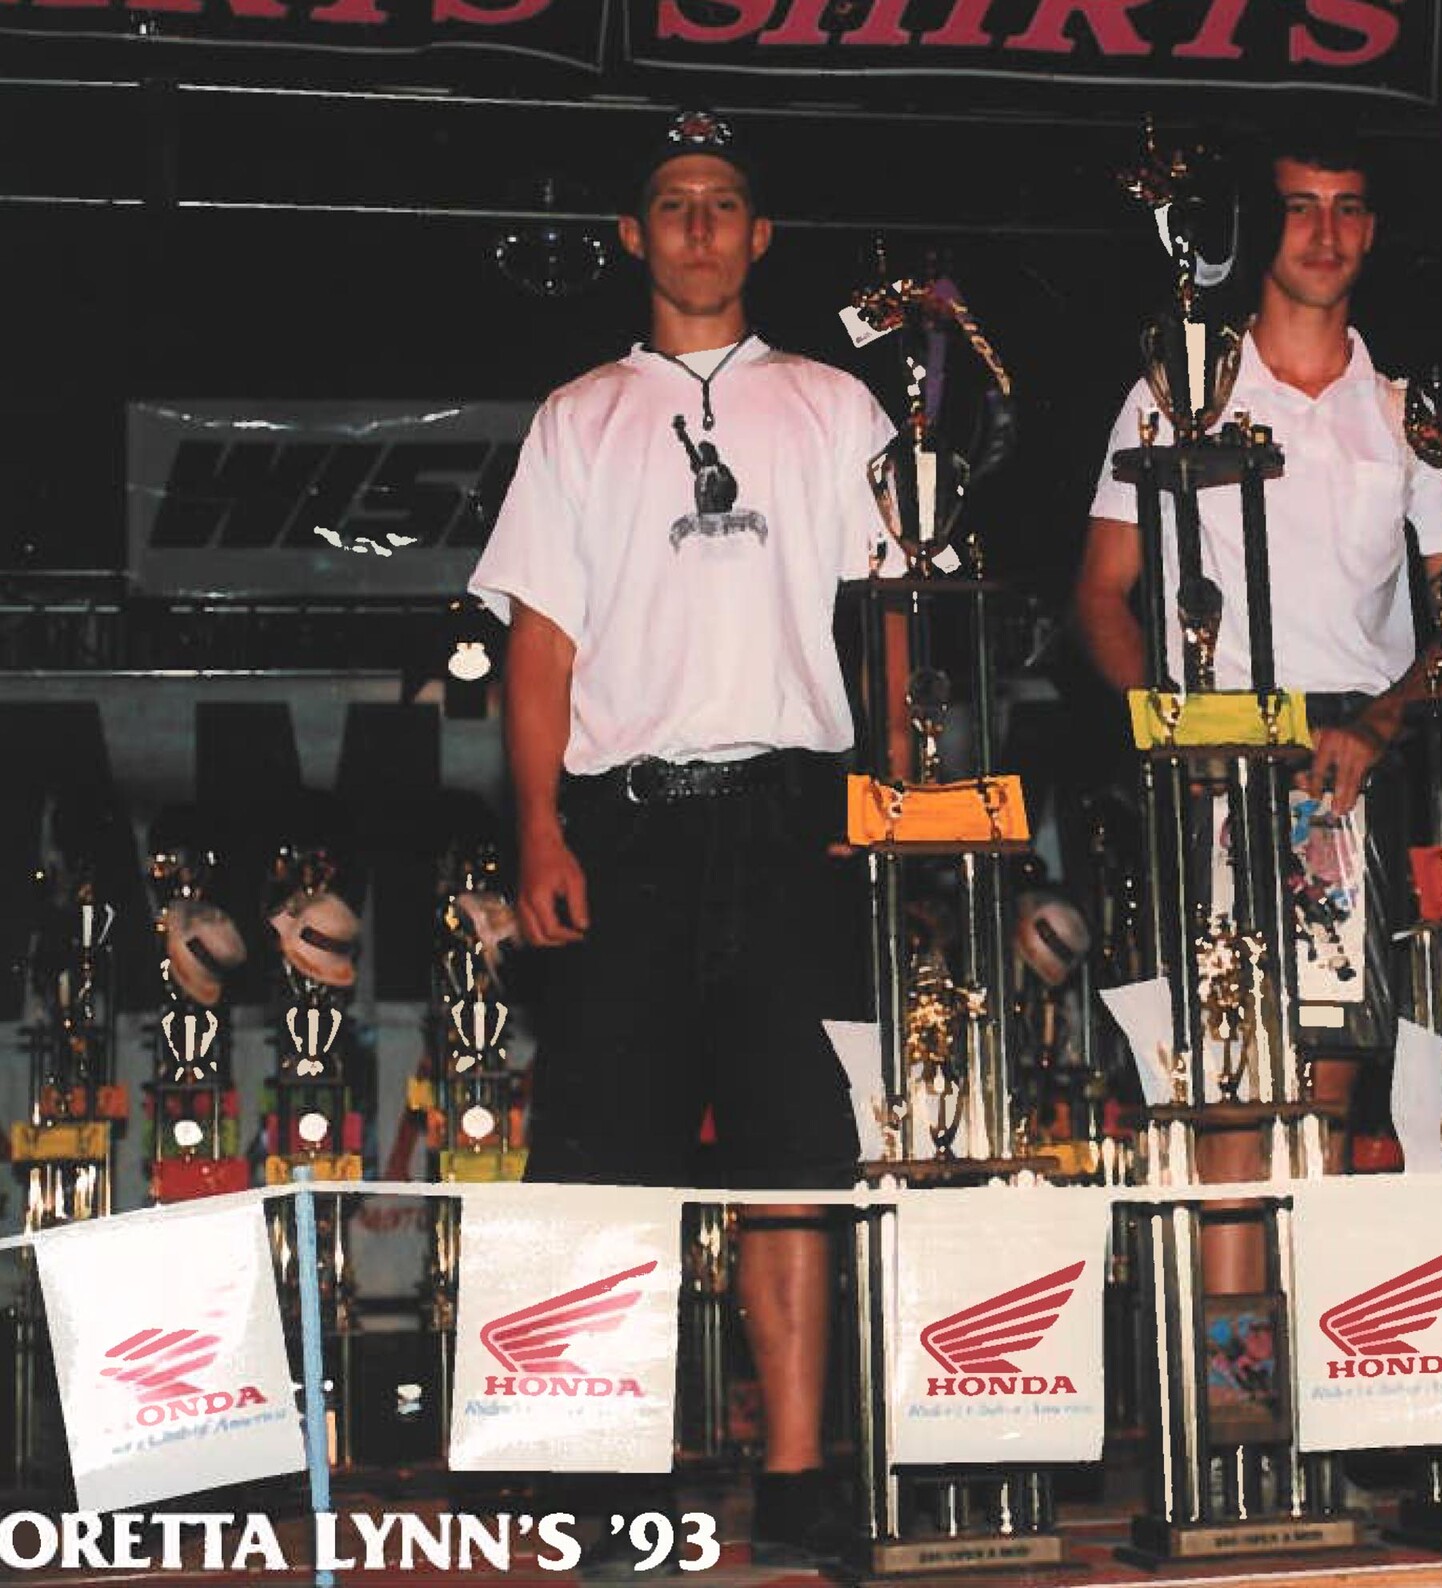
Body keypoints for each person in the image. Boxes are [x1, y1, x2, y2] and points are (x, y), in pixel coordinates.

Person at [469, 108, 895, 1568]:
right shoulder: (576, 414)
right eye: (673, 204)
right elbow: (540, 646)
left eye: (724, 203)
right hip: (626, 833)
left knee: (798, 1155)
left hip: (793, 825)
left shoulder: (836, 405)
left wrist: (886, 791)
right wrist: (536, 827)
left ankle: (795, 1478)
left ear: (760, 236)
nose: (701, 225)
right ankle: (597, 1477)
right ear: (632, 238)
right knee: (603, 1154)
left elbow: (891, 613)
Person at [1074, 130, 1442, 1283]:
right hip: (1214, 752)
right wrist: (1177, 727)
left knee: (1329, 1090)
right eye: (1301, 207)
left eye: (1348, 207)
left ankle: (1324, 1387)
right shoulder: (1174, 392)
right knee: (1229, 1080)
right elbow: (1102, 594)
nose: (1326, 231)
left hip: (1349, 763)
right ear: (1262, 228)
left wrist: (1381, 725)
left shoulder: (1407, 412)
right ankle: (1233, 1389)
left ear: (1373, 230)